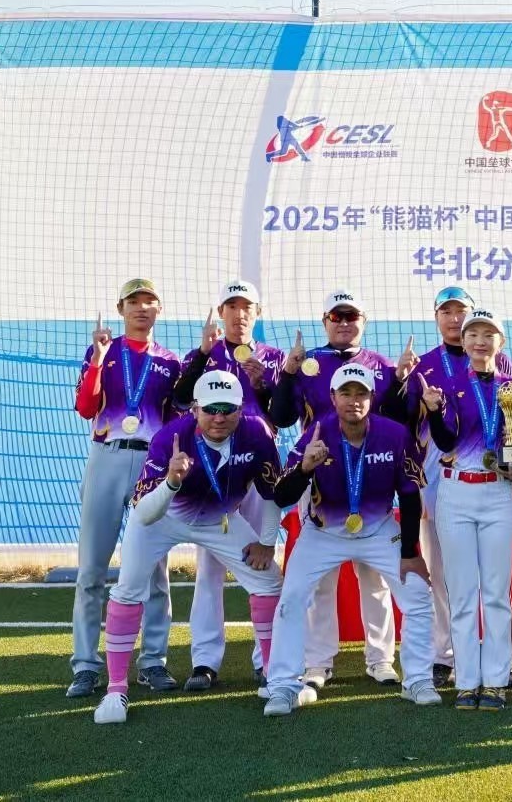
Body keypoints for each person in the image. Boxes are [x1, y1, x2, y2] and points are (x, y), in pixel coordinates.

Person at [92, 371, 284, 724]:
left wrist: (267, 543)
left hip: (219, 519)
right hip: (162, 517)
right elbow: (144, 514)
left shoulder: (257, 432)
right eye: (210, 409)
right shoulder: (170, 438)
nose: (219, 417)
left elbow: (273, 494)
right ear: (195, 409)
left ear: (241, 408)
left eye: (227, 409)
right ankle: (116, 689)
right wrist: (171, 482)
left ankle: (274, 676)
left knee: (269, 580)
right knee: (128, 590)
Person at [263, 364, 439, 715]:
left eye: (361, 393)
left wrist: (410, 553)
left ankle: (418, 680)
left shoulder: (394, 434)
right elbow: (281, 495)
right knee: (291, 599)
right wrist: (305, 468)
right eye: (346, 393)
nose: (353, 400)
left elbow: (409, 495)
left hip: (378, 529)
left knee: (419, 594)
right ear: (333, 398)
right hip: (322, 532)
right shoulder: (316, 433)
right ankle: (282, 685)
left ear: (372, 398)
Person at [388, 286, 512, 689]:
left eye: (460, 311)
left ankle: (503, 659)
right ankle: (445, 654)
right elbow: (401, 419)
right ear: (437, 318)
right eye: (446, 312)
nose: (454, 318)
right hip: (440, 475)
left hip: (495, 478)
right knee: (446, 573)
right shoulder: (424, 364)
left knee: (496, 580)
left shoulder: (502, 364)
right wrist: (399, 381)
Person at [269, 289, 400, 689]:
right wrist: (288, 372)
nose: (344, 323)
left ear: (364, 321)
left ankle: (380, 660)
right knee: (319, 580)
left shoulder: (383, 366)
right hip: (319, 477)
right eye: (336, 317)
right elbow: (281, 416)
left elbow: (398, 420)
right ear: (324, 321)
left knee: (375, 578)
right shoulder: (307, 363)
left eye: (351, 316)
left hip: (370, 478)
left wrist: (404, 383)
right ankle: (318, 663)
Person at [67, 278, 180, 698]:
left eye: (150, 301)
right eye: (134, 301)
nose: (142, 308)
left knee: (155, 568)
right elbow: (85, 408)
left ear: (159, 309)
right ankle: (85, 665)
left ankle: (153, 661)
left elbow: (178, 419)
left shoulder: (170, 362)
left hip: (151, 463)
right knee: (91, 570)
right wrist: (97, 361)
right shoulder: (103, 351)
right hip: (107, 457)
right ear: (121, 309)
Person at [172, 280, 284, 692]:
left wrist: (264, 386)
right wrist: (204, 353)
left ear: (258, 312)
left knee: (263, 559)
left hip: (257, 466)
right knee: (210, 568)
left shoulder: (273, 359)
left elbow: (284, 416)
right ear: (221, 312)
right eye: (232, 306)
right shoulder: (203, 354)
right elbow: (181, 400)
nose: (240, 314)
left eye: (247, 307)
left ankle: (265, 659)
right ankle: (205, 660)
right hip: (212, 469)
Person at [423, 309, 512, 711]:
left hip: (497, 493)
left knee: (497, 593)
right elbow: (446, 441)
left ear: (501, 342)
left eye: (489, 334)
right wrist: (434, 412)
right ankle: (467, 682)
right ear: (464, 342)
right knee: (462, 593)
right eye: (473, 334)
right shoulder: (449, 385)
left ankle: (497, 680)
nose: (481, 341)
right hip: (455, 494)